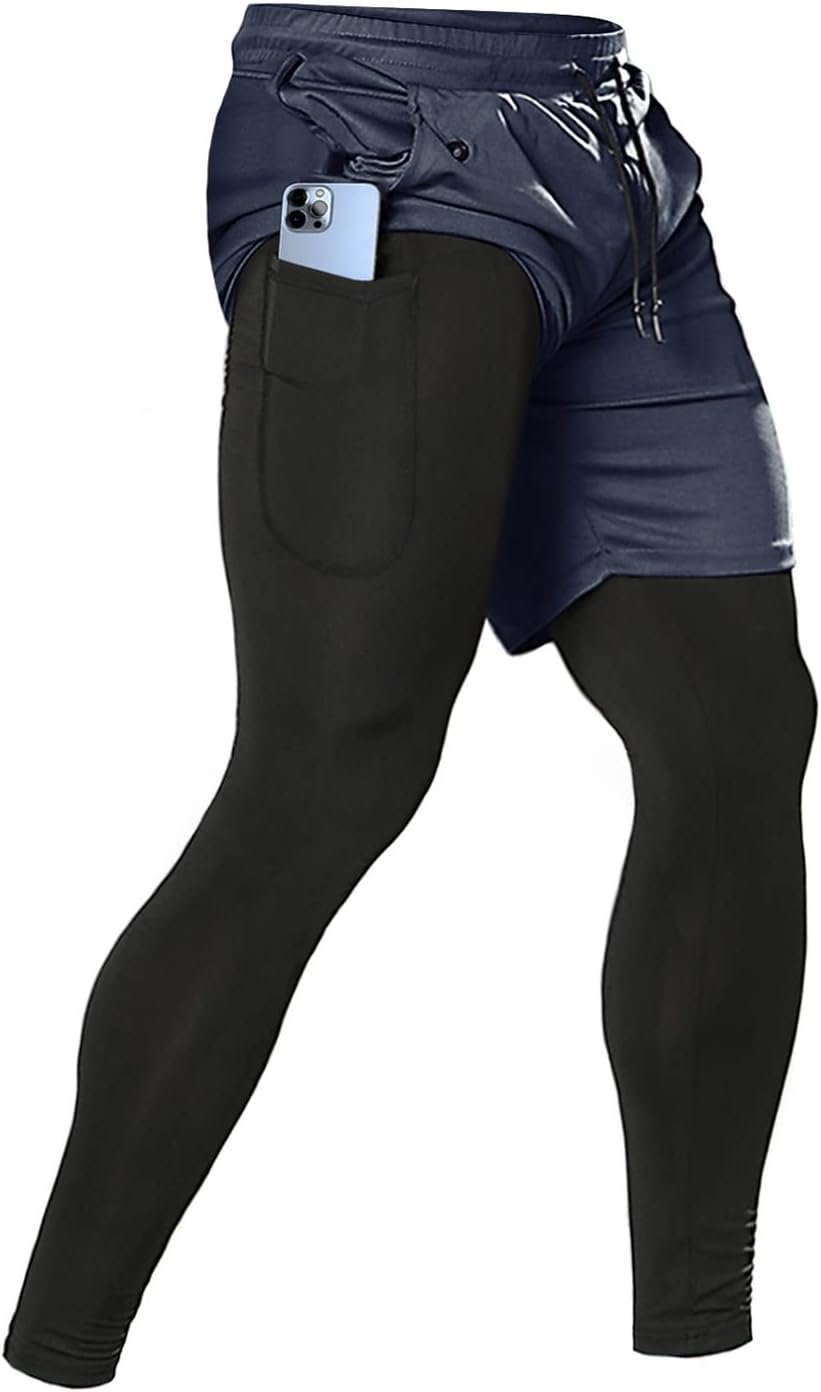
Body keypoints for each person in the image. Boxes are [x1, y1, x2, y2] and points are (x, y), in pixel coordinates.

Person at [4, 7, 816, 1383]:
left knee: (734, 735)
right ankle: (57, 1349)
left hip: (616, 161)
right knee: (330, 772)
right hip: (384, 142)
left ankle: (699, 1339)